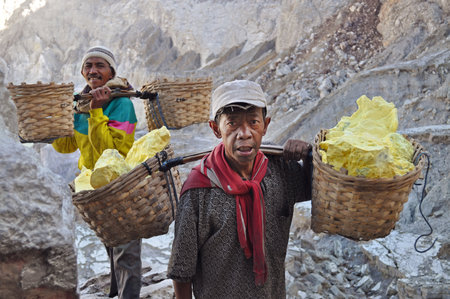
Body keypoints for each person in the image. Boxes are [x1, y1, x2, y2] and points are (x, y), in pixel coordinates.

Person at [167, 80, 312, 298]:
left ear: (266, 125)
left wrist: (309, 158)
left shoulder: (280, 170)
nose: (244, 133)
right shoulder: (198, 190)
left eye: (253, 122)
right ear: (216, 129)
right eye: (232, 124)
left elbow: (317, 190)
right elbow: (181, 270)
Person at [52, 46, 141, 299]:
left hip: (120, 186)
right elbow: (65, 145)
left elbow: (111, 152)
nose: (93, 71)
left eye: (99, 66)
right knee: (110, 243)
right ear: (82, 71)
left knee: (125, 249)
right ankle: (115, 293)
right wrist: (56, 120)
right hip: (94, 189)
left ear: (111, 71)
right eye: (88, 66)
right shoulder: (81, 104)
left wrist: (97, 111)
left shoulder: (121, 103)